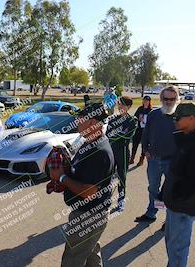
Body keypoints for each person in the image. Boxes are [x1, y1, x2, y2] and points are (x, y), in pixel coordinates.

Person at [50, 103, 115, 267]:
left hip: (88, 217)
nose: (77, 121)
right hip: (89, 215)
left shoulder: (99, 152)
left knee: (72, 260)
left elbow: (89, 191)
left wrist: (62, 177)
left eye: (80, 118)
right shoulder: (89, 142)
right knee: (91, 255)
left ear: (92, 123)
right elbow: (80, 172)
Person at [161, 103, 195, 267]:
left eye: (178, 118)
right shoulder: (185, 139)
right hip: (174, 204)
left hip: (183, 206)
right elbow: (175, 171)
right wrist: (165, 191)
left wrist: (177, 195)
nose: (175, 121)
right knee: (172, 245)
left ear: (192, 119)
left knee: (178, 250)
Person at [135, 86, 179, 223]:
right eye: (166, 98)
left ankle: (169, 221)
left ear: (177, 99)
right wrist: (145, 151)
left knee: (171, 191)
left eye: (172, 99)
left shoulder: (180, 117)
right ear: (161, 99)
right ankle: (151, 213)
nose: (168, 101)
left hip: (172, 162)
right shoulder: (153, 115)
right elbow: (146, 134)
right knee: (153, 188)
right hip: (153, 160)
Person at [106, 96, 138, 212]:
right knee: (107, 177)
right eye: (119, 104)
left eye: (123, 105)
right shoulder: (112, 119)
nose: (120, 107)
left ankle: (121, 200)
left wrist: (117, 134)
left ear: (128, 107)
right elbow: (108, 134)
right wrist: (119, 133)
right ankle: (106, 200)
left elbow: (128, 135)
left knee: (121, 177)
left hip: (123, 151)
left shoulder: (132, 120)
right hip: (111, 151)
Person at [130, 95, 152, 166]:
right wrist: (138, 119)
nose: (145, 102)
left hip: (145, 130)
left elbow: (152, 122)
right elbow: (135, 117)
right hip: (138, 129)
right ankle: (132, 158)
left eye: (147, 101)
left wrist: (145, 121)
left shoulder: (150, 111)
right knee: (135, 144)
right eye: (144, 100)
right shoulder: (140, 108)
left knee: (144, 146)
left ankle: (141, 159)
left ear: (149, 102)